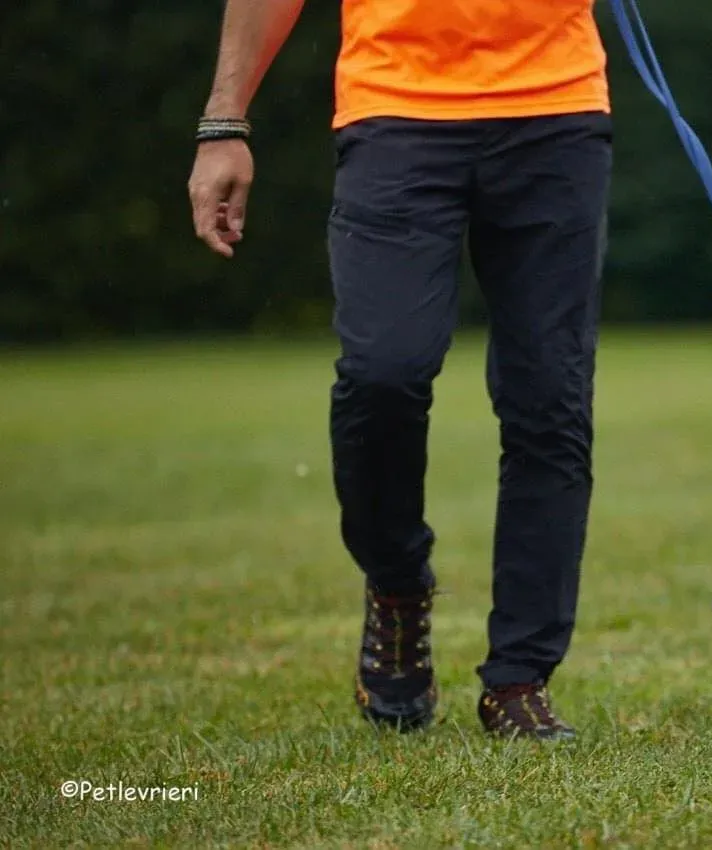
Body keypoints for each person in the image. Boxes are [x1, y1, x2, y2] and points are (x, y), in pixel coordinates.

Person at [187, 0, 613, 740]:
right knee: (383, 373)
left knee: (551, 400)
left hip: (557, 109)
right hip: (396, 111)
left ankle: (519, 677)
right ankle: (396, 585)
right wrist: (225, 122)